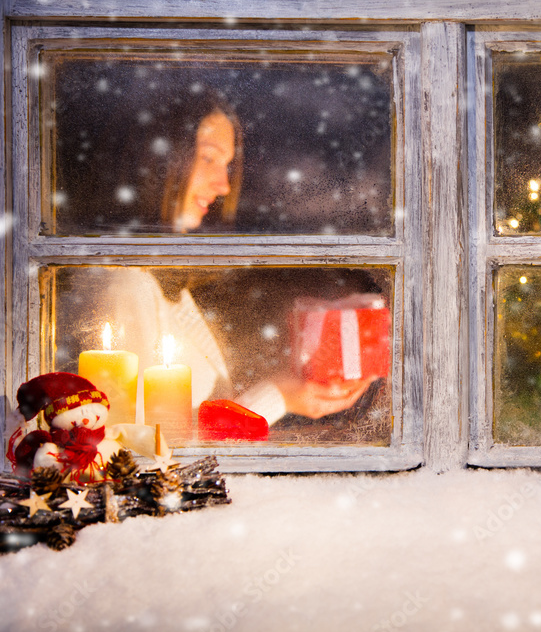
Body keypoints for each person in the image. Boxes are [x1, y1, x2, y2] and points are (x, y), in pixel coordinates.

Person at [78, 89, 378, 433]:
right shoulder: (124, 288)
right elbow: (153, 453)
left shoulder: (159, 286)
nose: (223, 185)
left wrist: (291, 385)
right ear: (156, 159)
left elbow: (189, 426)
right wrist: (278, 396)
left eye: (226, 165)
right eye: (208, 158)